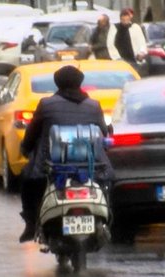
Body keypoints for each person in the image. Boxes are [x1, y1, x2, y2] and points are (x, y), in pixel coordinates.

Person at [18, 65, 113, 243]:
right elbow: (104, 133)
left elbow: (31, 134)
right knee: (108, 186)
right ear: (80, 82)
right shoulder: (93, 105)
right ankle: (108, 221)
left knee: (28, 184)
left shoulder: (46, 104)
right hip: (91, 165)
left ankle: (31, 225)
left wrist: (25, 148)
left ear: (57, 83)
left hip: (51, 166)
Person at [107, 8, 148, 75]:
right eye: (123, 20)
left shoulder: (135, 27)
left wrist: (141, 52)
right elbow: (110, 44)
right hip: (120, 60)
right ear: (120, 18)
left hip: (134, 59)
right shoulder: (114, 28)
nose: (125, 21)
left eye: (127, 19)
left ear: (130, 19)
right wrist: (117, 57)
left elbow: (142, 42)